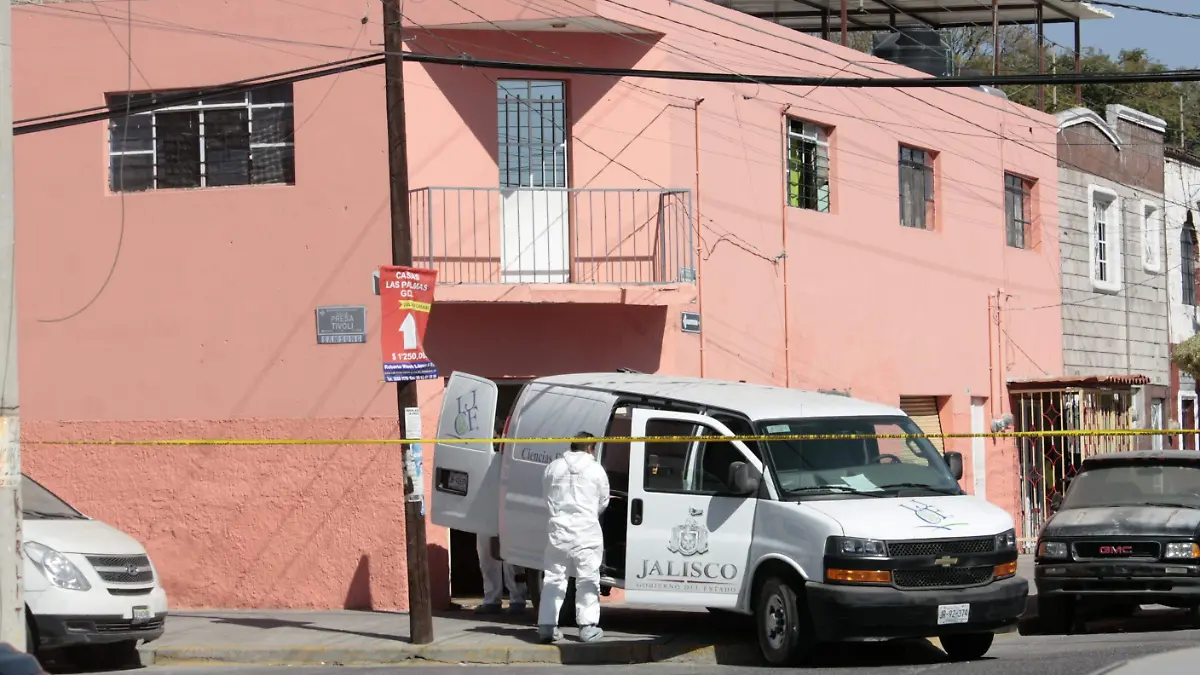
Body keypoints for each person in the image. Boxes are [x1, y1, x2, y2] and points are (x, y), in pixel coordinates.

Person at [537, 432, 610, 643]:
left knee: (554, 578)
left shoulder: (553, 467)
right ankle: (587, 628)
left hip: (558, 531)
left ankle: (547, 626)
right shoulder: (596, 470)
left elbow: (547, 497)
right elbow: (603, 501)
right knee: (587, 579)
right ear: (590, 448)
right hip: (587, 532)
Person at [474, 533, 527, 615]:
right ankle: (491, 599)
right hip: (485, 521)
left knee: (512, 557)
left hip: (510, 521)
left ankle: (517, 599)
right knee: (486, 555)